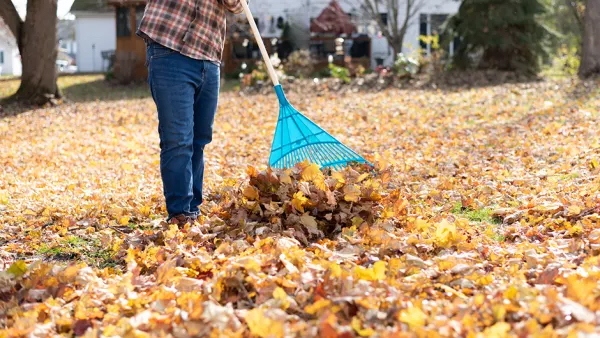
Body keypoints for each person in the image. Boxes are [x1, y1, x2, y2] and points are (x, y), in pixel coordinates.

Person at [137, 0, 245, 225]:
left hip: (208, 54)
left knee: (199, 139)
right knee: (178, 139)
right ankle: (179, 213)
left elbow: (236, 5)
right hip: (169, 49)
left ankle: (192, 210)